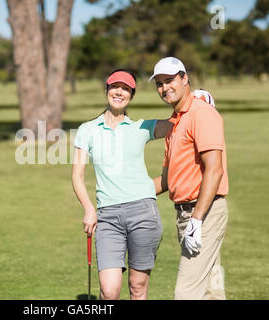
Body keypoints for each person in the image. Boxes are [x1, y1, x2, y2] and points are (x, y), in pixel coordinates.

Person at [71, 69, 213, 300]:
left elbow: (179, 123)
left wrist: (197, 102)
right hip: (107, 217)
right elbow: (77, 175)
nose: (119, 92)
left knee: (138, 288)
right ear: (106, 90)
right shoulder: (87, 130)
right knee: (109, 291)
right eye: (115, 86)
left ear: (131, 96)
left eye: (126, 88)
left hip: (143, 214)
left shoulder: (141, 127)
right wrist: (89, 209)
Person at [150, 57, 229, 300]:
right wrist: (124, 194)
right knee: (209, 291)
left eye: (170, 80)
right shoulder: (175, 123)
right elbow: (166, 181)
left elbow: (214, 170)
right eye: (160, 84)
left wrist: (197, 220)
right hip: (186, 214)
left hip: (204, 213)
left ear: (185, 79)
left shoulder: (201, 113)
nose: (165, 88)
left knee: (186, 293)